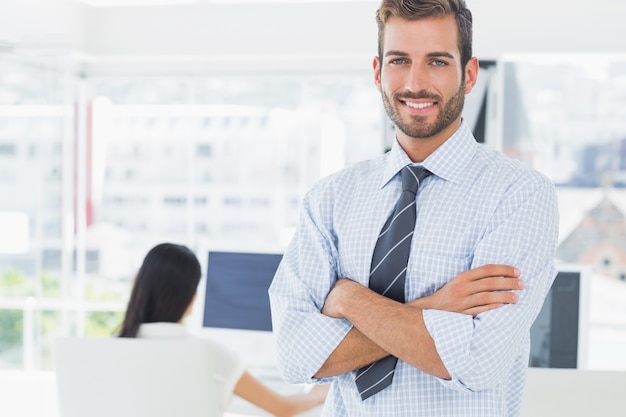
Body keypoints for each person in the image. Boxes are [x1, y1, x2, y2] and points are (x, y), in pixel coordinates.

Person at [268, 0, 559, 416]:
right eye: (399, 60)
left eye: (437, 62)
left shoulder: (518, 194)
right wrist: (436, 306)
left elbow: (477, 362)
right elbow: (297, 357)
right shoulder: (330, 199)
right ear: (377, 72)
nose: (415, 82)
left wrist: (349, 299)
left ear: (469, 74)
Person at [118, 242, 329, 417]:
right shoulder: (206, 353)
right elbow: (284, 408)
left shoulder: (115, 346)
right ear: (192, 299)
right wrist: (318, 393)